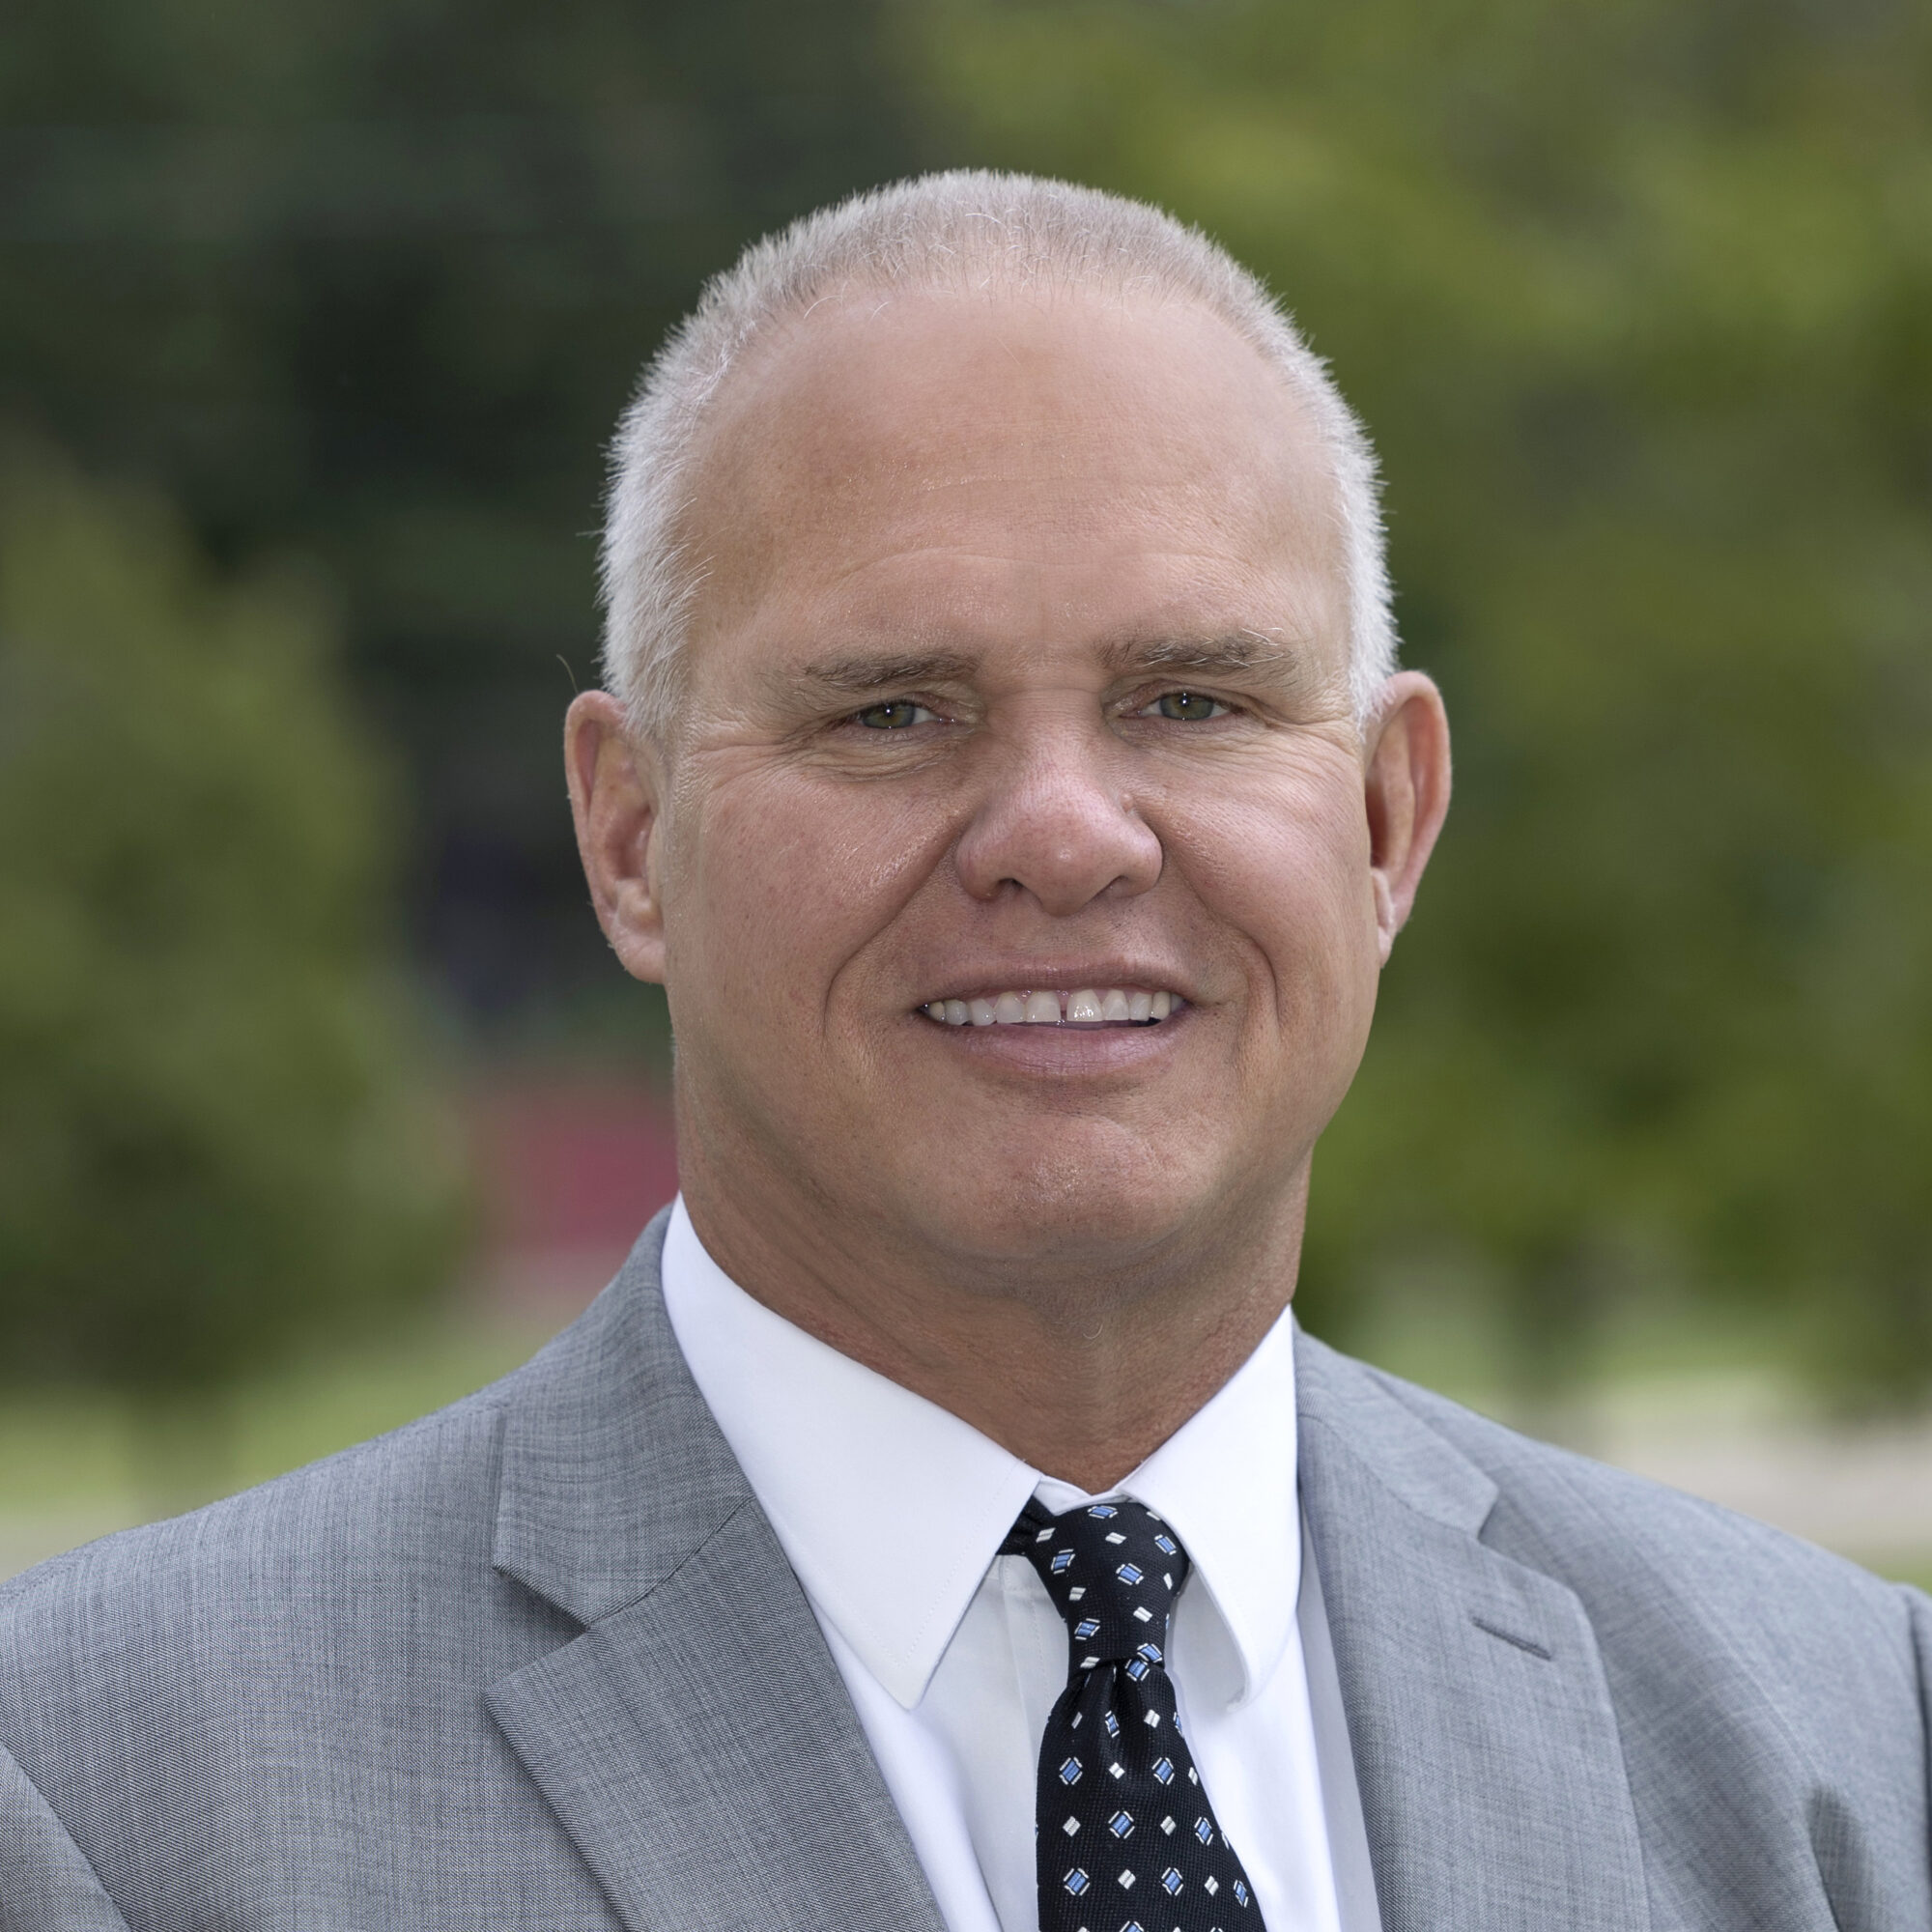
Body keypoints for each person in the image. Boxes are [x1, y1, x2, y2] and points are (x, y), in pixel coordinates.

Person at [0, 171, 1924, 1932]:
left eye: (1191, 696)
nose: (1065, 831)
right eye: (895, 714)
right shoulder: (105, 1795)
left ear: (1383, 819)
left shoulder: (1844, 1740)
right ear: (628, 838)